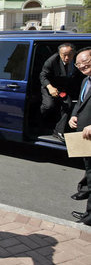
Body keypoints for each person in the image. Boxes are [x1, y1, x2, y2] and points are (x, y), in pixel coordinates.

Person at [40, 43, 83, 141]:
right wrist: (50, 87)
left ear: (74, 54)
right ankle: (40, 123)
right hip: (49, 85)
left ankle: (58, 131)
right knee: (49, 105)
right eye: (64, 55)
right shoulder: (52, 60)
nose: (67, 57)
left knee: (68, 105)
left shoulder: (78, 61)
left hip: (63, 87)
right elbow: (43, 76)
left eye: (70, 55)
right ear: (59, 54)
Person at [68, 47, 91, 224]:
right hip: (85, 138)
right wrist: (74, 116)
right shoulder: (85, 81)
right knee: (89, 171)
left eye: (85, 62)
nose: (82, 66)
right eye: (78, 64)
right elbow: (81, 102)